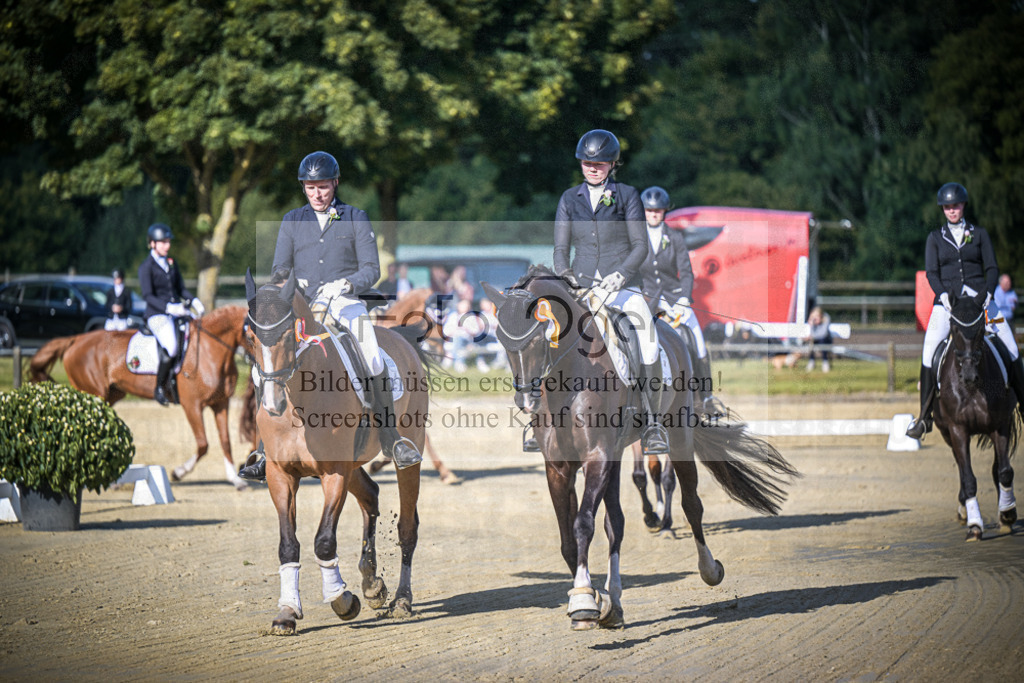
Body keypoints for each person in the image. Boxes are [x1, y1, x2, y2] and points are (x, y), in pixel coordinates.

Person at [239, 151, 421, 481]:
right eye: (310, 188)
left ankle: (392, 439)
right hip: (303, 303)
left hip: (345, 302)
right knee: (264, 364)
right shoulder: (292, 220)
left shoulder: (354, 217)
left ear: (334, 184)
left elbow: (372, 270)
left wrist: (347, 283)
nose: (317, 194)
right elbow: (280, 266)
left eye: (322, 187)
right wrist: (287, 281)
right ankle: (263, 448)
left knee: (374, 358)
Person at [551, 129, 668, 455]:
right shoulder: (568, 199)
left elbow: (640, 245)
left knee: (647, 341)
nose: (593, 168)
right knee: (548, 336)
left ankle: (653, 422)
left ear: (612, 164)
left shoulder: (628, 195)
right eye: (588, 162)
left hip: (622, 287)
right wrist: (567, 276)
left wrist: (621, 275)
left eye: (600, 163)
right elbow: (561, 248)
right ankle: (539, 413)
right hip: (582, 287)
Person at [906, 182, 1024, 439]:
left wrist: (988, 293)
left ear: (963, 206)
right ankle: (924, 418)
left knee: (1012, 347)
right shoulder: (935, 238)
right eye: (947, 207)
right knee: (929, 351)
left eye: (956, 206)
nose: (952, 210)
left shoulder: (979, 234)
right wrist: (942, 295)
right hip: (948, 303)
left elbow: (991, 268)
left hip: (982, 301)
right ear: (943, 209)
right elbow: (932, 272)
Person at [637, 185, 719, 407]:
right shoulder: (635, 239)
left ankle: (707, 397)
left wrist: (684, 298)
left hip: (674, 298)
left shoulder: (674, 238)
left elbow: (686, 272)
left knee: (697, 339)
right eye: (649, 211)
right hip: (647, 299)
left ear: (664, 212)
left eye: (658, 211)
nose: (654, 215)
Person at [138, 223, 204, 406]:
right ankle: (159, 387)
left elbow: (181, 288)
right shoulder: (146, 267)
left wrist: (194, 301)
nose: (167, 246)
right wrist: (169, 307)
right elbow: (148, 296)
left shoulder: (171, 263)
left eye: (168, 242)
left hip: (176, 312)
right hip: (156, 315)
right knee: (172, 346)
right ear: (152, 244)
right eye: (162, 242)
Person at [804, 306, 832, 373]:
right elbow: (812, 333)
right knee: (811, 343)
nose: (815, 317)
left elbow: (823, 333)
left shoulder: (826, 319)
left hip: (826, 340)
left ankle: (825, 362)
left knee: (822, 341)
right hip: (815, 340)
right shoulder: (813, 320)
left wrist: (812, 336)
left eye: (817, 315)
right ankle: (811, 361)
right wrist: (812, 325)